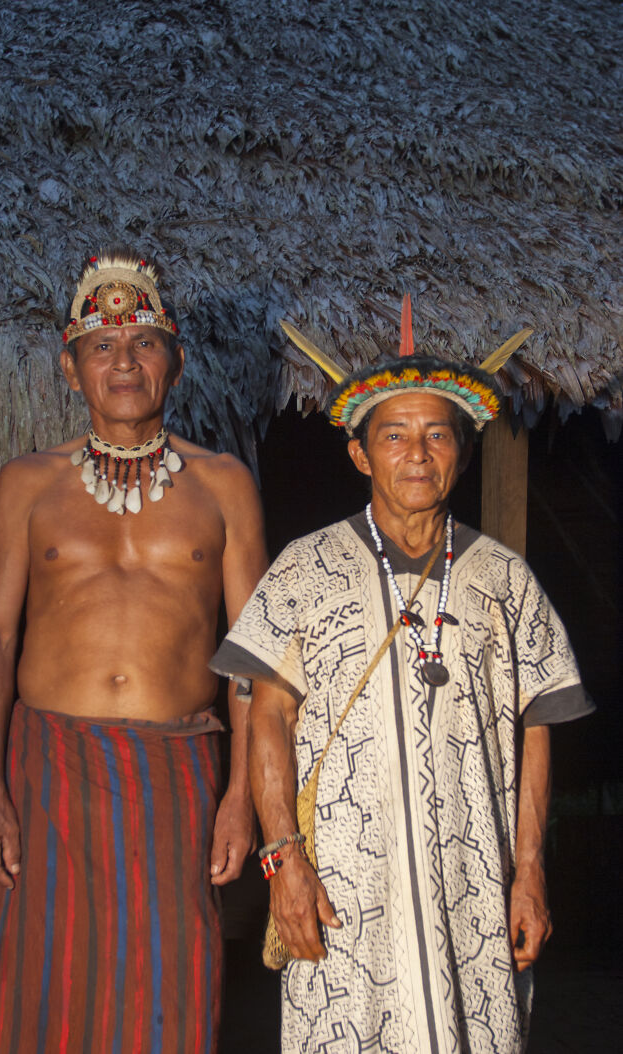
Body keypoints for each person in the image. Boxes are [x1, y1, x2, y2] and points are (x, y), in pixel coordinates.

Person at [210, 303, 593, 1053]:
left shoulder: (505, 581)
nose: (416, 453)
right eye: (394, 435)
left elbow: (537, 728)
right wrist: (283, 862)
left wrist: (530, 874)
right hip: (343, 893)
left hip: (473, 895)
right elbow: (266, 717)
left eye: (436, 435)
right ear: (361, 455)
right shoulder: (305, 569)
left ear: (461, 452)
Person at [0, 250, 268, 1053]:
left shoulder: (224, 483)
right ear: (72, 370)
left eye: (143, 342)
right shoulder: (27, 484)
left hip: (175, 777)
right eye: (102, 346)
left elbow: (255, 654)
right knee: (46, 985)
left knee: (170, 981)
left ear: (174, 359)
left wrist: (242, 795)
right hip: (48, 772)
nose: (124, 361)